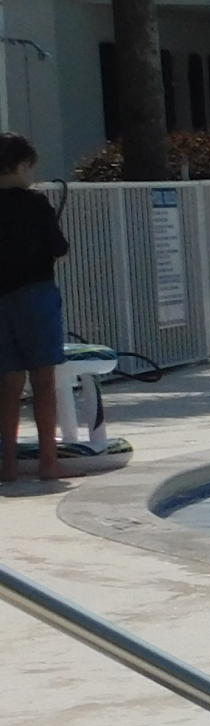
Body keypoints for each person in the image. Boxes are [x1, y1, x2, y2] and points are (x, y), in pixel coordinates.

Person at [0, 132, 69, 487]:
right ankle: (48, 463)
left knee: (8, 384)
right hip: (36, 295)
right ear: (22, 165)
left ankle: (8, 465)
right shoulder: (36, 204)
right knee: (43, 381)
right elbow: (58, 247)